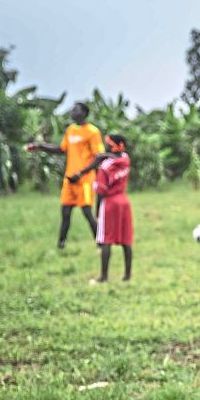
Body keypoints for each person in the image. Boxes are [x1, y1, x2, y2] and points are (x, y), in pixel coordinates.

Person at [25, 102, 104, 248]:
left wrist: (81, 173)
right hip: (69, 179)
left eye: (75, 110)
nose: (72, 112)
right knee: (65, 212)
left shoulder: (93, 132)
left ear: (84, 113)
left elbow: (98, 157)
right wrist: (40, 146)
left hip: (85, 180)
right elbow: (61, 149)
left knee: (87, 213)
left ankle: (100, 243)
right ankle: (61, 245)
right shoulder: (71, 130)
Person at [74, 134, 134, 283]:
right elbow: (117, 157)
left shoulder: (106, 166)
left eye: (108, 144)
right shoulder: (125, 159)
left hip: (110, 203)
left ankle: (103, 276)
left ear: (113, 146)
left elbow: (101, 191)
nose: (105, 146)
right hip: (124, 201)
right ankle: (127, 275)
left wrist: (97, 210)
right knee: (126, 239)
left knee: (105, 238)